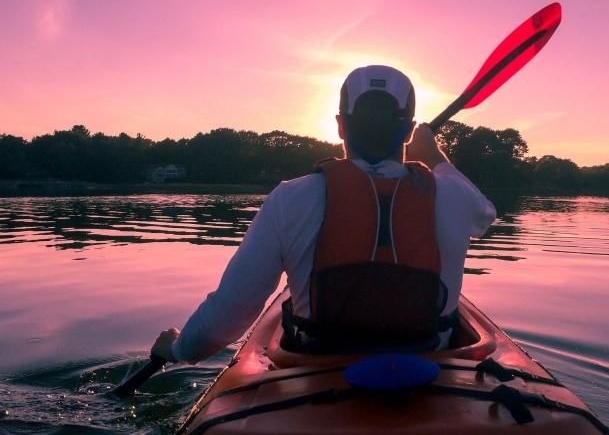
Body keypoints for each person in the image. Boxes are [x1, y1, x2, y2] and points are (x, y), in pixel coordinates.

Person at [151, 65, 496, 362]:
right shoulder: (454, 196)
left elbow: (227, 315)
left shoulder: (290, 198)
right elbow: (486, 215)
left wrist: (178, 350)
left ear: (340, 126)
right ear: (407, 130)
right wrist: (434, 156)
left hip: (318, 368)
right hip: (431, 367)